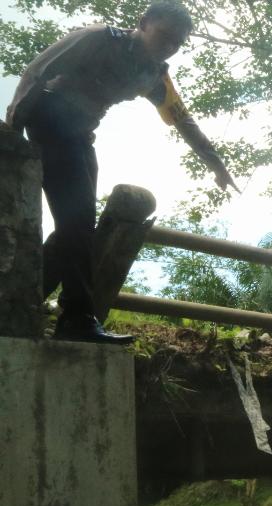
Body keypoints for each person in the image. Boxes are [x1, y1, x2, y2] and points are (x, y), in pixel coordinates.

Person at [5, 1, 237, 343]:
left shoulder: (154, 75)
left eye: (177, 42)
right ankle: (76, 318)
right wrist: (13, 132)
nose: (169, 45)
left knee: (79, 227)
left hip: (81, 135)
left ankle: (22, 300)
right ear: (143, 23)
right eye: (164, 35)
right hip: (50, 120)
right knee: (78, 223)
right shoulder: (99, 38)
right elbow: (39, 71)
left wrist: (215, 163)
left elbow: (182, 118)